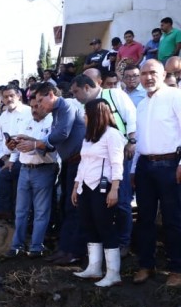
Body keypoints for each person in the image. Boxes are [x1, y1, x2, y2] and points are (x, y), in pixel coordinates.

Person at [70, 72, 137, 258]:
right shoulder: (86, 108)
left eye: (76, 91)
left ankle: (123, 242)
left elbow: (131, 115)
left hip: (119, 152)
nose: (75, 96)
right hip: (98, 160)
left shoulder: (113, 94)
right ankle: (100, 247)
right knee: (99, 206)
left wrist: (132, 141)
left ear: (86, 87)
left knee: (122, 201)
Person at [131, 60, 181, 287]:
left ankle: (176, 269)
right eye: (144, 73)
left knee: (173, 220)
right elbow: (139, 139)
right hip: (144, 167)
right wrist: (133, 169)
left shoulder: (175, 96)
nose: (148, 77)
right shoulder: (141, 104)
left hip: (170, 165)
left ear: (163, 74)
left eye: (153, 72)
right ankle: (146, 265)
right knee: (145, 219)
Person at [71, 99, 125, 287]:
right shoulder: (89, 137)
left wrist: (115, 189)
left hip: (103, 189)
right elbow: (83, 163)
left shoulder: (113, 135)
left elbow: (117, 163)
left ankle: (113, 274)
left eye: (86, 114)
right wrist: (76, 186)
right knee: (89, 225)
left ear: (95, 115)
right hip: (86, 187)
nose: (84, 117)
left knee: (105, 227)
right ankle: (94, 268)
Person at [6, 89, 57, 258]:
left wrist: (33, 143)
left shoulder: (52, 122)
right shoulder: (26, 120)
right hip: (25, 168)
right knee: (20, 210)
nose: (35, 109)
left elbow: (52, 147)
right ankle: (17, 245)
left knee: (41, 211)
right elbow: (18, 145)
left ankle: (36, 246)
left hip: (44, 169)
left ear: (45, 105)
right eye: (32, 106)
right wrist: (12, 145)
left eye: (38, 106)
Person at [0, 84, 31, 220]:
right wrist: (4, 158)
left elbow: (22, 137)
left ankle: (20, 220)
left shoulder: (28, 112)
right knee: (1, 179)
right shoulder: (3, 116)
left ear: (19, 95)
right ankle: (6, 218)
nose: (9, 99)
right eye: (5, 97)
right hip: (7, 159)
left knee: (18, 193)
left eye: (11, 96)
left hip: (24, 157)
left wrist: (12, 160)